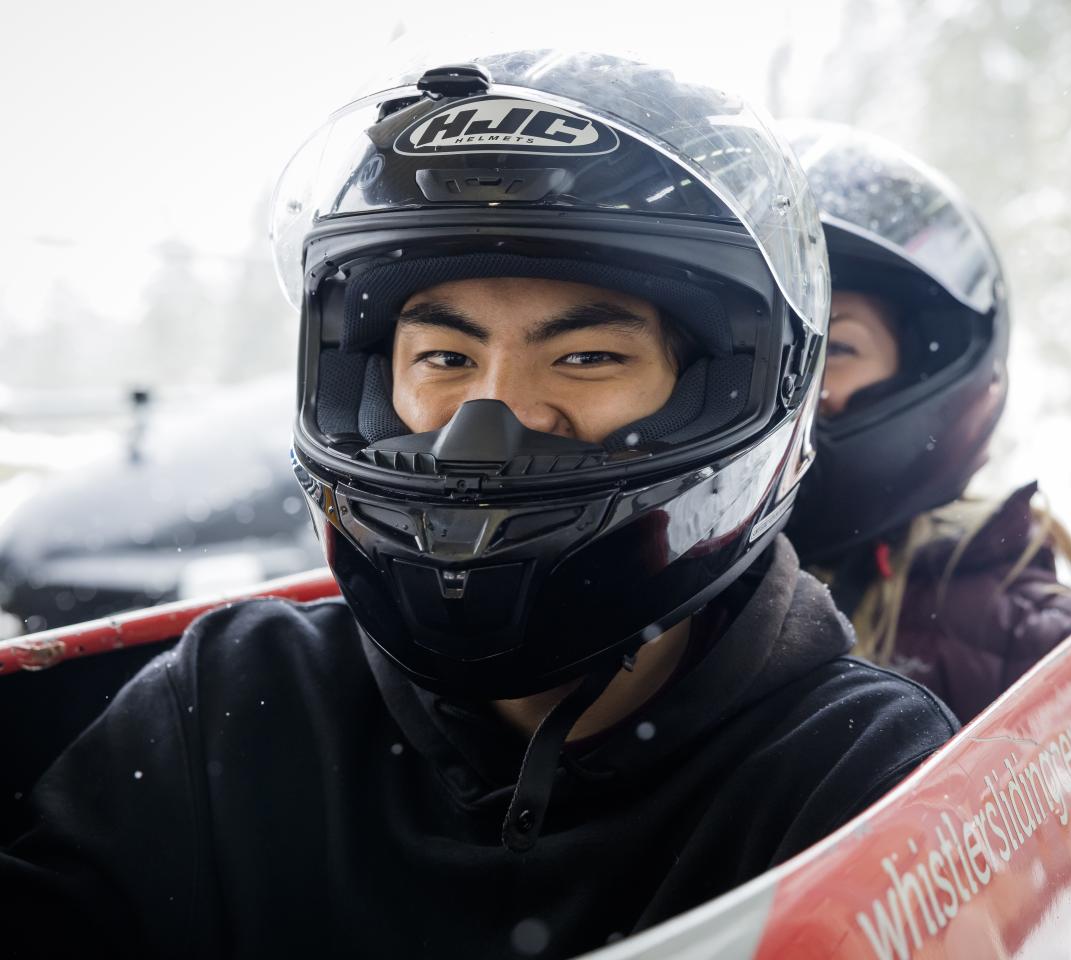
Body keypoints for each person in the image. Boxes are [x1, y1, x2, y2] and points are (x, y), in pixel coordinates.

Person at [0, 54, 958, 957]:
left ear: (729, 388)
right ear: (370, 390)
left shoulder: (855, 776)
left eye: (586, 358)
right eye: (445, 360)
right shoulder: (238, 702)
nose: (485, 430)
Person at [780, 120, 1071, 725]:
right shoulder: (680, 601)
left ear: (920, 376)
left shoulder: (1025, 636)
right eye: (776, 344)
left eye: (839, 348)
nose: (797, 377)